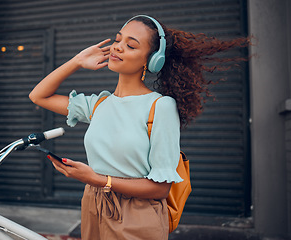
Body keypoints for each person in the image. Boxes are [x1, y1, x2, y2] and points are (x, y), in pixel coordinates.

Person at [29, 15, 249, 239]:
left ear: (151, 60)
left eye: (131, 45)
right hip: (94, 205)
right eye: (118, 40)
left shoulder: (160, 106)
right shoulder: (99, 105)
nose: (118, 47)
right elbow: (38, 96)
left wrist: (98, 180)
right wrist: (77, 61)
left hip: (137, 215)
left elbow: (160, 189)